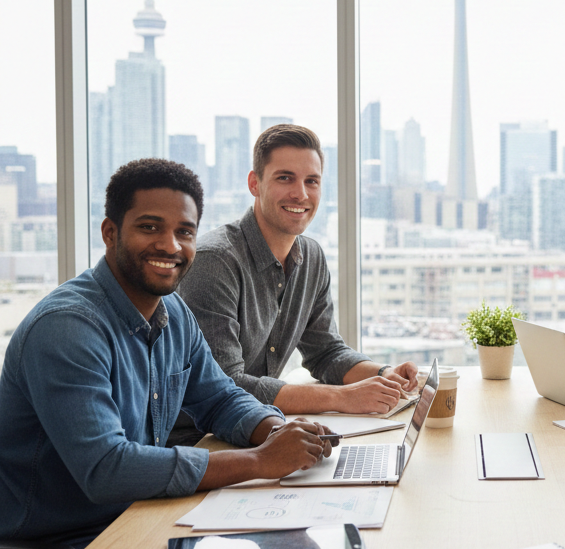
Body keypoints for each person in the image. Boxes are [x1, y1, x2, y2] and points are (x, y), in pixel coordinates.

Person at [0, 159, 333, 548]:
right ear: (110, 233)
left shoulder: (172, 311)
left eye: (184, 232)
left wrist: (278, 433)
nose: (170, 245)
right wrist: (261, 461)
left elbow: (219, 398)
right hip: (57, 538)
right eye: (149, 227)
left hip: (142, 513)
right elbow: (107, 469)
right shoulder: (66, 328)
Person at [174, 124, 417, 444]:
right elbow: (226, 386)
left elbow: (326, 352)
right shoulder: (215, 261)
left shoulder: (311, 257)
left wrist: (384, 375)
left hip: (259, 430)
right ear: (255, 183)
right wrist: (343, 398)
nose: (300, 194)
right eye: (285, 178)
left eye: (311, 181)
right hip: (198, 441)